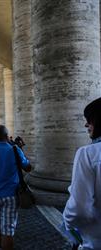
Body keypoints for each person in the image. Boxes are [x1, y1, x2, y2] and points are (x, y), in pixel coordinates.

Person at [63, 97, 101, 250]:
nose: (86, 124)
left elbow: (80, 209)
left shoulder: (88, 154)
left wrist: (67, 222)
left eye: (90, 119)